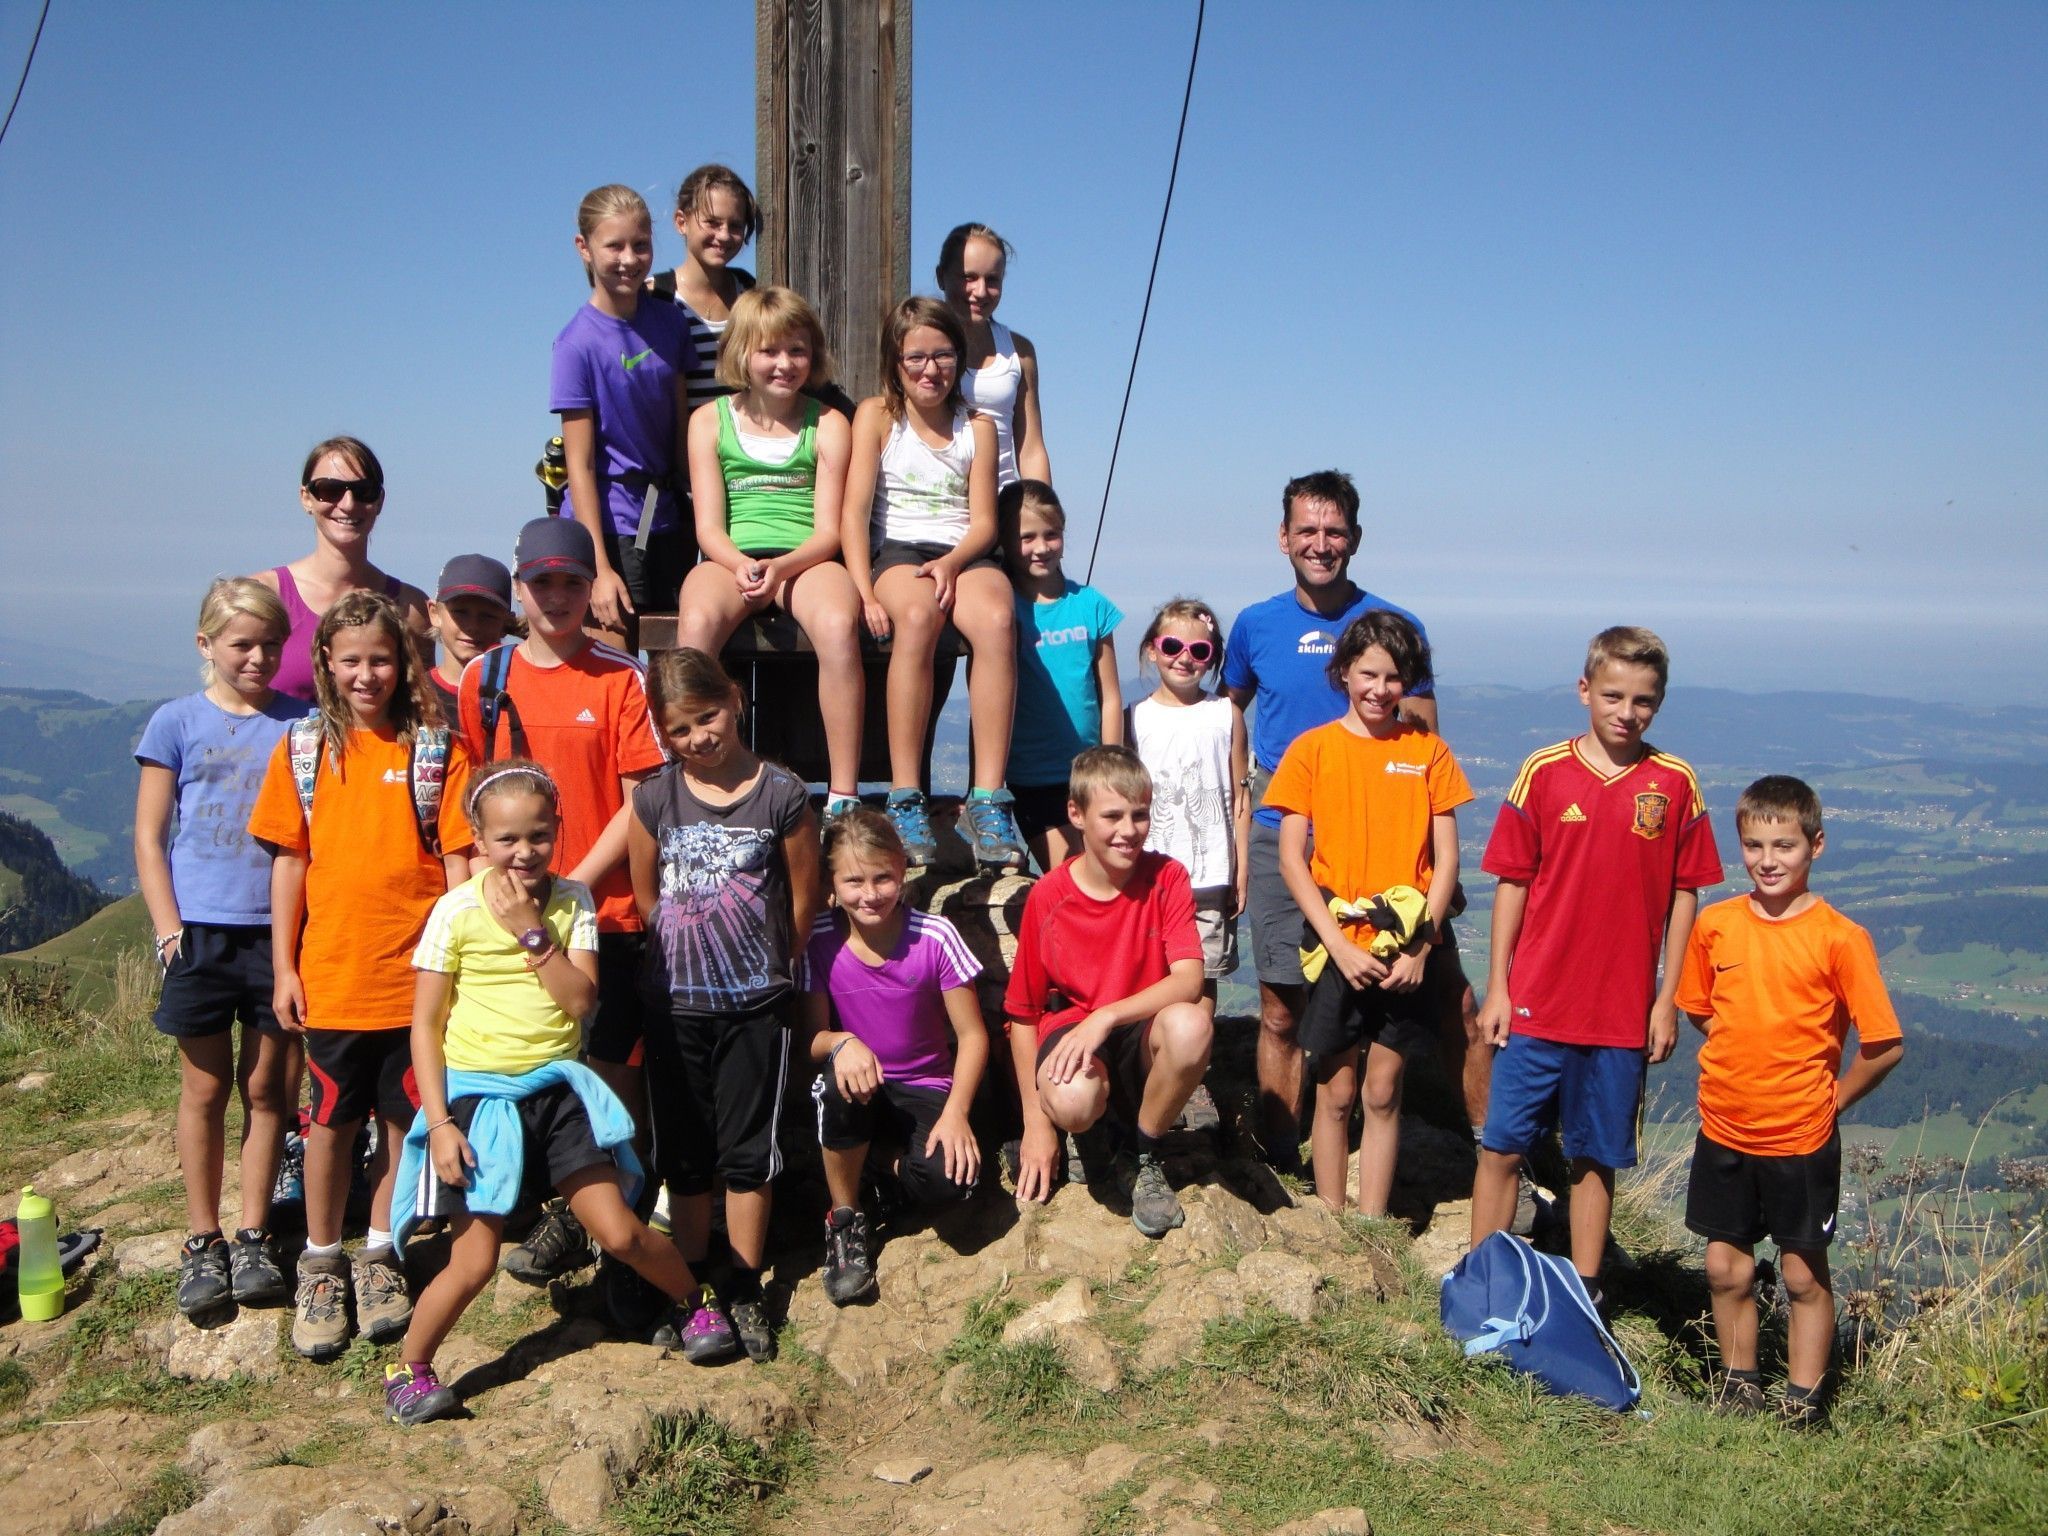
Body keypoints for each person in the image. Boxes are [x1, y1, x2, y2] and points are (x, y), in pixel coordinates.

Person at [381, 762, 707, 1425]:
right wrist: (440, 1123)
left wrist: (533, 930)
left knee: (618, 1230)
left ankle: (694, 1304)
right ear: (478, 836)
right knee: (472, 1261)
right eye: (507, 840)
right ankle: (406, 1368)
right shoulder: (456, 910)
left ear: (557, 830)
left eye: (538, 836)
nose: (525, 852)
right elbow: (426, 1024)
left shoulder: (571, 903)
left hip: (558, 1090)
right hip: (477, 1101)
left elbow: (580, 999)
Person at [1468, 626, 1723, 1313]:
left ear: (1659, 703)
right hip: (1537, 1003)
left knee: (1595, 1156)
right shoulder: (1544, 772)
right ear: (1585, 690)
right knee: (1502, 1144)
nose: (1626, 711)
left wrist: (1666, 1000)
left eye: (1643, 700)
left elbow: (1685, 893)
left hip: (1620, 1012)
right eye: (1613, 694)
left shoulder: (1674, 783)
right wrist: (1498, 987)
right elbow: (1512, 882)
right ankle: (1482, 1277)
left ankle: (1585, 1294)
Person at [248, 591, 474, 1361]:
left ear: (403, 661)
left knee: (400, 1124)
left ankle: (380, 1252)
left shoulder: (435, 749)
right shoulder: (306, 750)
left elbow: (458, 865)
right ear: (327, 665)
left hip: (415, 981)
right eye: (351, 661)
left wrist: (461, 964)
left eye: (381, 658)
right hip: (335, 975)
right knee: (329, 1123)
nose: (367, 674)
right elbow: (290, 861)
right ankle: (320, 1259)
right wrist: (284, 965)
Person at [1223, 470, 1471, 1170]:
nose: (1321, 544)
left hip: (1385, 838)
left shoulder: (1393, 627)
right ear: (1283, 536)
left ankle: (1483, 1151)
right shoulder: (1255, 623)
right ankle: (1280, 1156)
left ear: (1355, 538)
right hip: (1284, 823)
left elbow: (1424, 740)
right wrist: (1240, 806)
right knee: (1281, 1004)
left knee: (1431, 1002)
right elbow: (1228, 711)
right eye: (1307, 530)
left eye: (1334, 532)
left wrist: (1431, 874)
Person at [457, 518, 669, 1287]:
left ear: (592, 590)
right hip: (507, 911)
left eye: (571, 583)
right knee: (535, 1061)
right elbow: (469, 792)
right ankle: (556, 1205)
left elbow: (640, 795)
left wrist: (572, 879)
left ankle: (613, 1208)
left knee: (609, 1072)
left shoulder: (619, 676)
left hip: (603, 912)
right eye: (541, 582)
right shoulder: (484, 678)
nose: (556, 597)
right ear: (519, 588)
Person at [1676, 775, 1903, 1428]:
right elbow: (1699, 1008)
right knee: (1725, 1266)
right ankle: (1739, 1383)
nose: (1769, 859)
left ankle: (1804, 1401)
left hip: (1801, 1136)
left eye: (1784, 845)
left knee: (1803, 1275)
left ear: (1816, 846)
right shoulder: (1717, 926)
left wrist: (1835, 1099)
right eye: (1754, 845)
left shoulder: (1839, 937)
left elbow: (1883, 1043)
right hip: (1724, 1125)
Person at [629, 648, 822, 1363]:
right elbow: (648, 895)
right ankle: (689, 1290)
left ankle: (741, 1282)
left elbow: (805, 896)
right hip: (674, 1002)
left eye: (707, 717)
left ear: (734, 701)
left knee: (748, 1152)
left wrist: (766, 960)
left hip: (755, 1003)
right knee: (684, 1153)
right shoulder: (654, 799)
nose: (699, 738)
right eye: (680, 730)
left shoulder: (781, 795)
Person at [135, 578, 308, 1316]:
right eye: (243, 643)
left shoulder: (302, 723)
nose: (260, 657)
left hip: (278, 933)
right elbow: (149, 834)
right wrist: (169, 927)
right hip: (201, 933)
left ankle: (253, 1233)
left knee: (269, 1090)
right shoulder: (175, 722)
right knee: (204, 1089)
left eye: (272, 643)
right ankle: (202, 1239)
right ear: (206, 646)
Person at [1267, 612, 1473, 1216]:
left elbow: (1448, 858)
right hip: (1339, 941)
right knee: (1336, 1090)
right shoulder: (1312, 751)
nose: (1380, 689)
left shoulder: (1427, 752)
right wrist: (1337, 945)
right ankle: (1333, 1220)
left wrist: (1421, 948)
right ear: (1344, 673)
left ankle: (1374, 1221)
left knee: (1384, 1090)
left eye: (1393, 677)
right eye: (1368, 674)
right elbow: (1290, 858)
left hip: (1404, 944)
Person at [842, 297, 1025, 871]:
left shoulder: (978, 427)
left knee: (997, 621)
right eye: (915, 357)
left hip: (963, 552)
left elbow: (985, 522)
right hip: (897, 550)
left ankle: (989, 796)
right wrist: (865, 590)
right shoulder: (876, 416)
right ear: (894, 362)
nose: (930, 370)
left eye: (942, 355)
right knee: (918, 619)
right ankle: (904, 793)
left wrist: (952, 563)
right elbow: (854, 513)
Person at [1005, 746, 1212, 1237]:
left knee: (1193, 1023)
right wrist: (1035, 1124)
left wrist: (1106, 1016)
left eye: (1139, 815)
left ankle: (1144, 1153)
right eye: (1112, 816)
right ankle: (1091, 1139)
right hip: (1072, 1033)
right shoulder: (1049, 896)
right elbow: (1024, 1013)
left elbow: (1189, 980)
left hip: (1137, 1032)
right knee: (1074, 1099)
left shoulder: (1167, 877)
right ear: (1076, 814)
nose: (1129, 830)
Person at [677, 287, 864, 816]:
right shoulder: (709, 421)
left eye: (797, 351)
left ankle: (843, 791)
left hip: (805, 558)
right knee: (695, 626)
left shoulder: (828, 423)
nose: (784, 364)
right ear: (742, 353)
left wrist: (781, 567)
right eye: (769, 351)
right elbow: (708, 525)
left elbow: (829, 529)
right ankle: (697, 774)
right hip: (730, 556)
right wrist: (740, 564)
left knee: (835, 626)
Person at [801, 808, 987, 1305]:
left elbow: (972, 1036)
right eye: (854, 880)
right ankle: (845, 1219)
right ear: (832, 882)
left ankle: (883, 1165)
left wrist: (956, 1114)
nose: (870, 894)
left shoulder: (934, 937)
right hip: (856, 1083)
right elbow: (810, 1038)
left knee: (952, 1180)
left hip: (927, 1089)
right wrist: (842, 1041)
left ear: (903, 871)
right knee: (837, 1092)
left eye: (883, 877)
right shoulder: (819, 940)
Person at [552, 183, 697, 647]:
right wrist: (599, 568)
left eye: (641, 246)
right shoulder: (576, 344)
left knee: (675, 670)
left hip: (668, 518)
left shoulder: (670, 323)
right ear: (584, 249)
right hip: (610, 522)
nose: (629, 259)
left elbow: (679, 432)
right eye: (614, 246)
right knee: (615, 666)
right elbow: (580, 464)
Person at [1125, 597, 1248, 1012]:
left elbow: (1240, 795)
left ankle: (1193, 1067)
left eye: (1199, 651)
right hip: (1148, 876)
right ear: (1151, 649)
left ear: (1212, 660)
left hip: (1210, 877)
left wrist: (1241, 866)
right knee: (1147, 979)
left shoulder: (1225, 714)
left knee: (1201, 985)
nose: (1184, 659)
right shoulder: (1134, 718)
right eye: (1172, 647)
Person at [1000, 479, 1122, 872]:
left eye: (1051, 534)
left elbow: (1111, 695)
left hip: (1087, 772)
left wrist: (1112, 763)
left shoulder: (1092, 605)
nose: (1041, 547)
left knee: (1103, 874)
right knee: (1070, 873)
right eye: (1026, 537)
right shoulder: (1004, 612)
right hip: (1031, 775)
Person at [253, 436, 430, 704]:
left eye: (363, 491)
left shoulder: (411, 608)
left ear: (380, 501)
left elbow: (420, 708)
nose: (348, 504)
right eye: (330, 490)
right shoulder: (264, 596)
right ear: (306, 498)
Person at [938, 221, 1049, 488]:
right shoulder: (917, 348)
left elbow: (1030, 447)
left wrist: (1042, 513)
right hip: (941, 504)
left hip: (1002, 500)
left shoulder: (1019, 353)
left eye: (992, 280)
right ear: (942, 277)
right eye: (968, 278)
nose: (980, 291)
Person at [651, 164, 760, 417]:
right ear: (681, 222)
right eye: (712, 222)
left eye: (735, 225)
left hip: (743, 450)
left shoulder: (751, 294)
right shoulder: (655, 297)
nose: (723, 235)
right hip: (678, 450)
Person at [425, 555, 514, 719]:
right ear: (434, 613)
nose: (473, 626)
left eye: (487, 616)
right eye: (460, 612)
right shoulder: (413, 696)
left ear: (507, 622)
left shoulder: (516, 694)